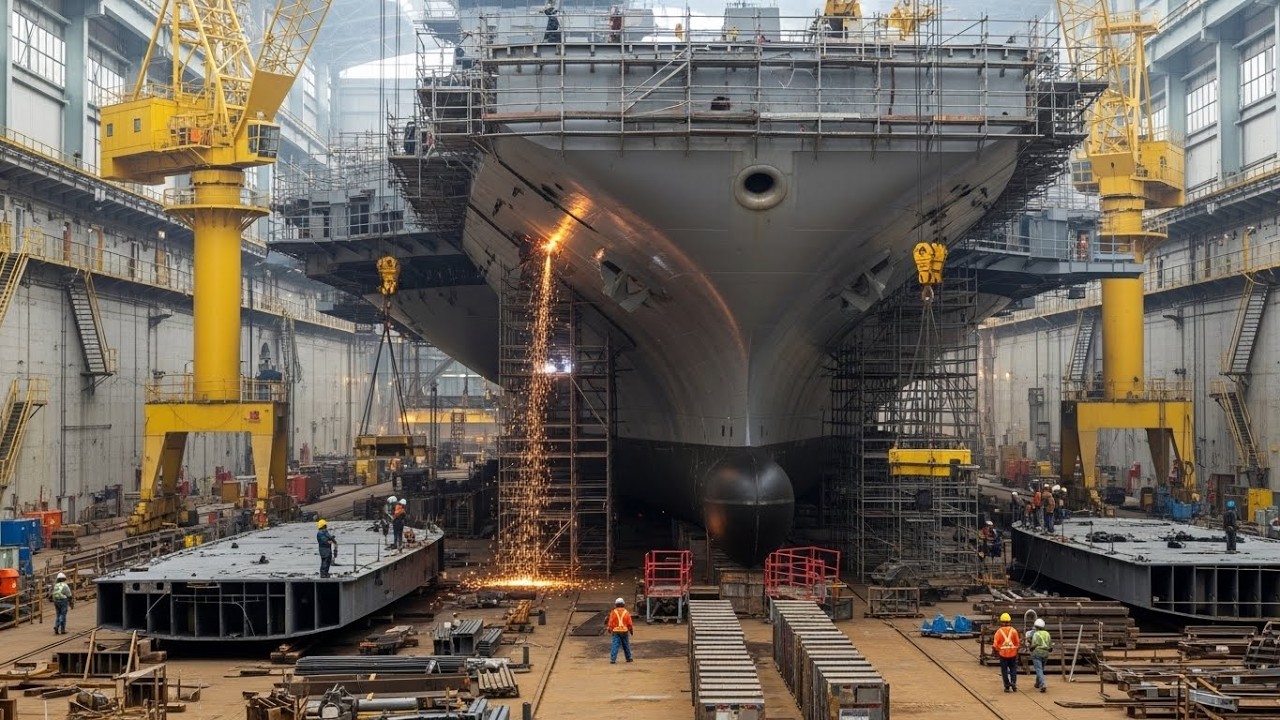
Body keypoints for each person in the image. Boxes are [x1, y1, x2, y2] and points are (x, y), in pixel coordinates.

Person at [993, 612, 1020, 692]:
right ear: (1009, 621)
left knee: (1004, 671)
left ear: (1001, 622)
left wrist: (998, 650)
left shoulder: (999, 632)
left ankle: (1007, 686)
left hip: (1003, 655)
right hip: (1013, 654)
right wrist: (1015, 650)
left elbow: (995, 644)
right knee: (1013, 669)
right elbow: (1017, 643)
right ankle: (1013, 683)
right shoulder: (1014, 631)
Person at [607, 597, 634, 663]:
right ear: (623, 604)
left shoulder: (613, 612)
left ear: (616, 604)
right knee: (626, 645)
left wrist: (610, 629)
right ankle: (629, 658)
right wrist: (631, 630)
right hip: (624, 631)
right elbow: (629, 623)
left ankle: (613, 659)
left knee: (615, 645)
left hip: (616, 631)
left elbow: (611, 622)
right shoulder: (626, 612)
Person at [1029, 618, 1052, 692]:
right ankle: (1037, 683)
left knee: (1038, 669)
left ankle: (1042, 684)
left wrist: (1030, 648)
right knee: (1040, 669)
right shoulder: (1047, 634)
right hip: (1045, 653)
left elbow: (1033, 645)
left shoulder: (1036, 634)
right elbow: (1050, 646)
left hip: (1037, 653)